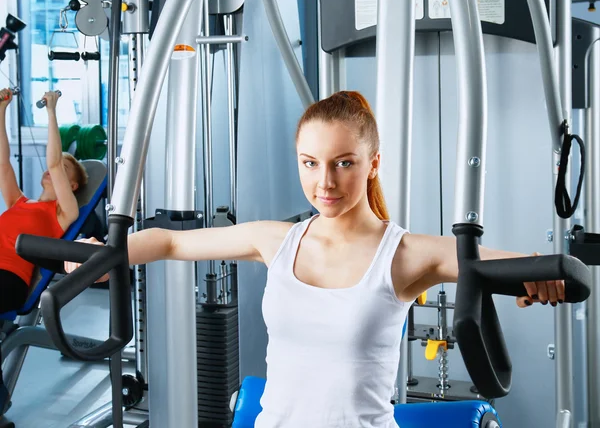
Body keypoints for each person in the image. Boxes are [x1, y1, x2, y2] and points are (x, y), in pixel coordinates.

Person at [66, 91, 561, 428]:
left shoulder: (407, 254)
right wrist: (105, 254)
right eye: (310, 163)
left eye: (343, 163)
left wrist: (539, 276)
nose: (324, 182)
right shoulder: (277, 240)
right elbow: (172, 243)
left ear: (373, 165)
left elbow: (511, 264)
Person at [0, 88, 88, 314]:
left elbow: (54, 164)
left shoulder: (64, 213)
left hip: (8, 279)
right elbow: (3, 163)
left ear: (72, 186)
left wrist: (51, 111)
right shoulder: (17, 202)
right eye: (61, 165)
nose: (55, 170)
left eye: (65, 169)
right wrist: (1, 110)